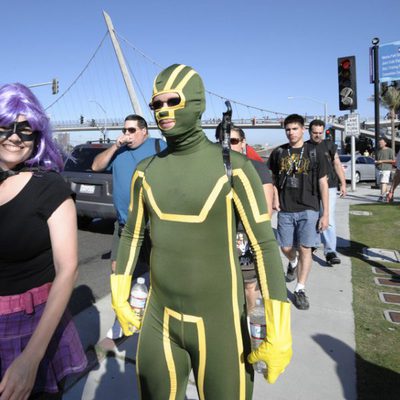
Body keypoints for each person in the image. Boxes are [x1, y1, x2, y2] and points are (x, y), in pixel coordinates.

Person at [111, 64, 292, 398]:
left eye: (172, 100)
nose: (164, 110)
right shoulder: (145, 171)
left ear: (195, 101)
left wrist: (279, 327)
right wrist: (119, 293)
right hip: (158, 319)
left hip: (220, 325)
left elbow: (265, 245)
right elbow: (131, 235)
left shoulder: (234, 168)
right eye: (156, 104)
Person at [0, 83, 87, 399]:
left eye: (25, 130)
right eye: (5, 126)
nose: (13, 137)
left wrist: (31, 358)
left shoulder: (48, 187)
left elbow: (68, 270)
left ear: (37, 136)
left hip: (29, 327)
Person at [92, 114, 166, 339]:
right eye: (125, 130)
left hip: (154, 225)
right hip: (125, 226)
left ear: (145, 131)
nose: (127, 134)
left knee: (158, 273)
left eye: (132, 130)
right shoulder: (119, 151)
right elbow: (96, 166)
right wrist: (115, 145)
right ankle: (120, 319)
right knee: (118, 272)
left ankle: (155, 317)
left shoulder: (158, 146)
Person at [268, 114, 329, 310]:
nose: (291, 132)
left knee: (306, 248)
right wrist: (275, 199)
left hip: (309, 208)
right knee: (285, 247)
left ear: (303, 129)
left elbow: (323, 183)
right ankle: (292, 261)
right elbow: (272, 180)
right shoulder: (278, 153)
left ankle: (300, 289)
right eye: (288, 129)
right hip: (285, 209)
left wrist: (325, 213)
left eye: (295, 129)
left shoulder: (314, 151)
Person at [215, 124, 274, 311]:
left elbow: (266, 210)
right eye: (222, 142)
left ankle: (249, 323)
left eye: (233, 141)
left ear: (243, 143)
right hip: (218, 237)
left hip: (245, 237)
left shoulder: (257, 168)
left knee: (249, 285)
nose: (228, 146)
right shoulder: (211, 170)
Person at [308, 120, 347, 265]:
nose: (318, 135)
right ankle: (312, 243)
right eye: (314, 132)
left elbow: (337, 164)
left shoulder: (329, 145)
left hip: (329, 186)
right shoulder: (304, 146)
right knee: (311, 217)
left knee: (327, 218)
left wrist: (343, 183)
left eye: (320, 132)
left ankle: (330, 251)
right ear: (309, 131)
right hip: (310, 187)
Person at [375, 137, 395, 202]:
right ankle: (389, 194)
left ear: (385, 143)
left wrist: (382, 161)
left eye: (381, 142)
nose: (380, 144)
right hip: (378, 168)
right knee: (382, 183)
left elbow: (393, 160)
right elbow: (377, 159)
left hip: (386, 169)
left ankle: (381, 196)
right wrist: (376, 162)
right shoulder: (378, 150)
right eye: (379, 142)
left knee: (383, 182)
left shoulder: (390, 150)